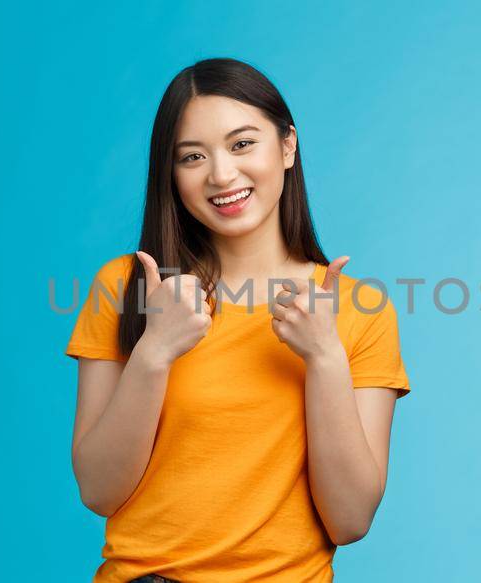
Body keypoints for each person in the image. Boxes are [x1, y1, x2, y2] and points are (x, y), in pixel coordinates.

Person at [66, 58, 410, 582]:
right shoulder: (128, 287)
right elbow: (98, 490)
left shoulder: (359, 310)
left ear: (288, 146)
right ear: (171, 173)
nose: (221, 174)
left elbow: (350, 520)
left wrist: (324, 356)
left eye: (242, 144)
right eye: (192, 156)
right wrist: (154, 351)